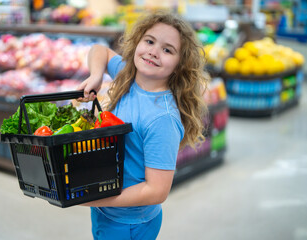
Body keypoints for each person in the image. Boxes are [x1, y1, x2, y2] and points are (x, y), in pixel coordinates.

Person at [78, 10, 209, 240]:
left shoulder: (162, 118)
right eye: (149, 41)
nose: (153, 52)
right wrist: (97, 75)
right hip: (107, 210)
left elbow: (156, 191)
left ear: (180, 64)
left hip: (128, 223)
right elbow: (100, 50)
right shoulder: (128, 75)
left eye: (167, 50)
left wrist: (92, 197)